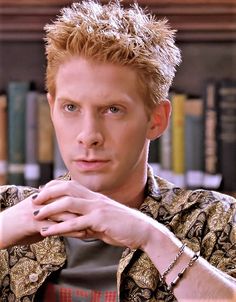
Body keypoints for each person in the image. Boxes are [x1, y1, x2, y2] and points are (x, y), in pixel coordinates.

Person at [0, 1, 235, 301]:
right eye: (71, 107)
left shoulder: (216, 221)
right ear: (52, 110)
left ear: (157, 119)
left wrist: (151, 236)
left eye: (113, 109)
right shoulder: (6, 209)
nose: (89, 136)